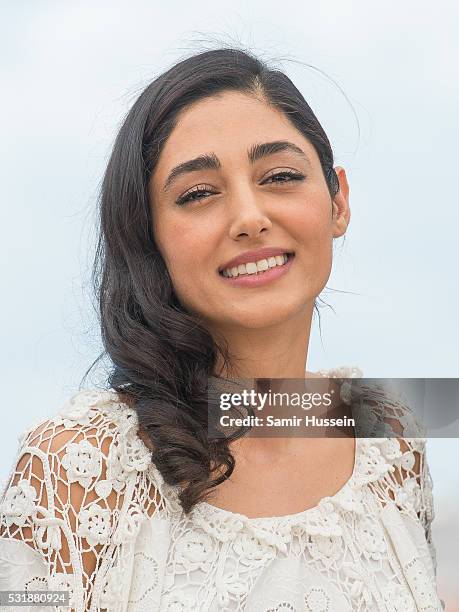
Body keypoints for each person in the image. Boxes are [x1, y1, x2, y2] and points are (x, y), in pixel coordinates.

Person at [0, 47, 444, 611]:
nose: (249, 217)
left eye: (280, 176)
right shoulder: (74, 464)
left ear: (338, 201)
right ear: (148, 239)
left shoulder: (389, 429)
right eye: (198, 194)